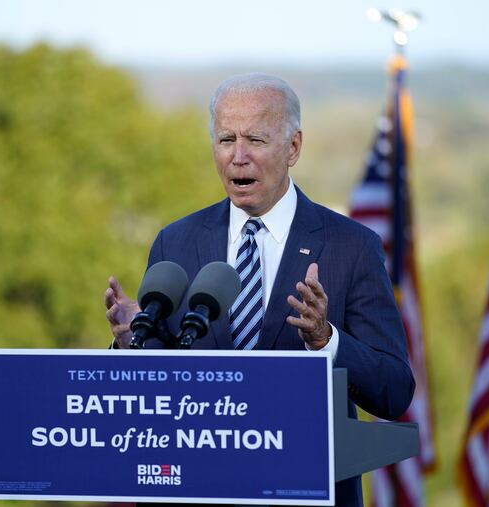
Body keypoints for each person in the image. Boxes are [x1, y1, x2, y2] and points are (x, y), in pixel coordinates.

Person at [104, 73, 414, 507]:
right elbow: (156, 384)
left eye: (255, 139)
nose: (238, 156)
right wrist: (128, 345)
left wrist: (326, 342)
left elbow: (394, 390)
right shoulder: (175, 242)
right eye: (226, 139)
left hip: (306, 492)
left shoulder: (350, 247)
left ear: (293, 148)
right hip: (198, 493)